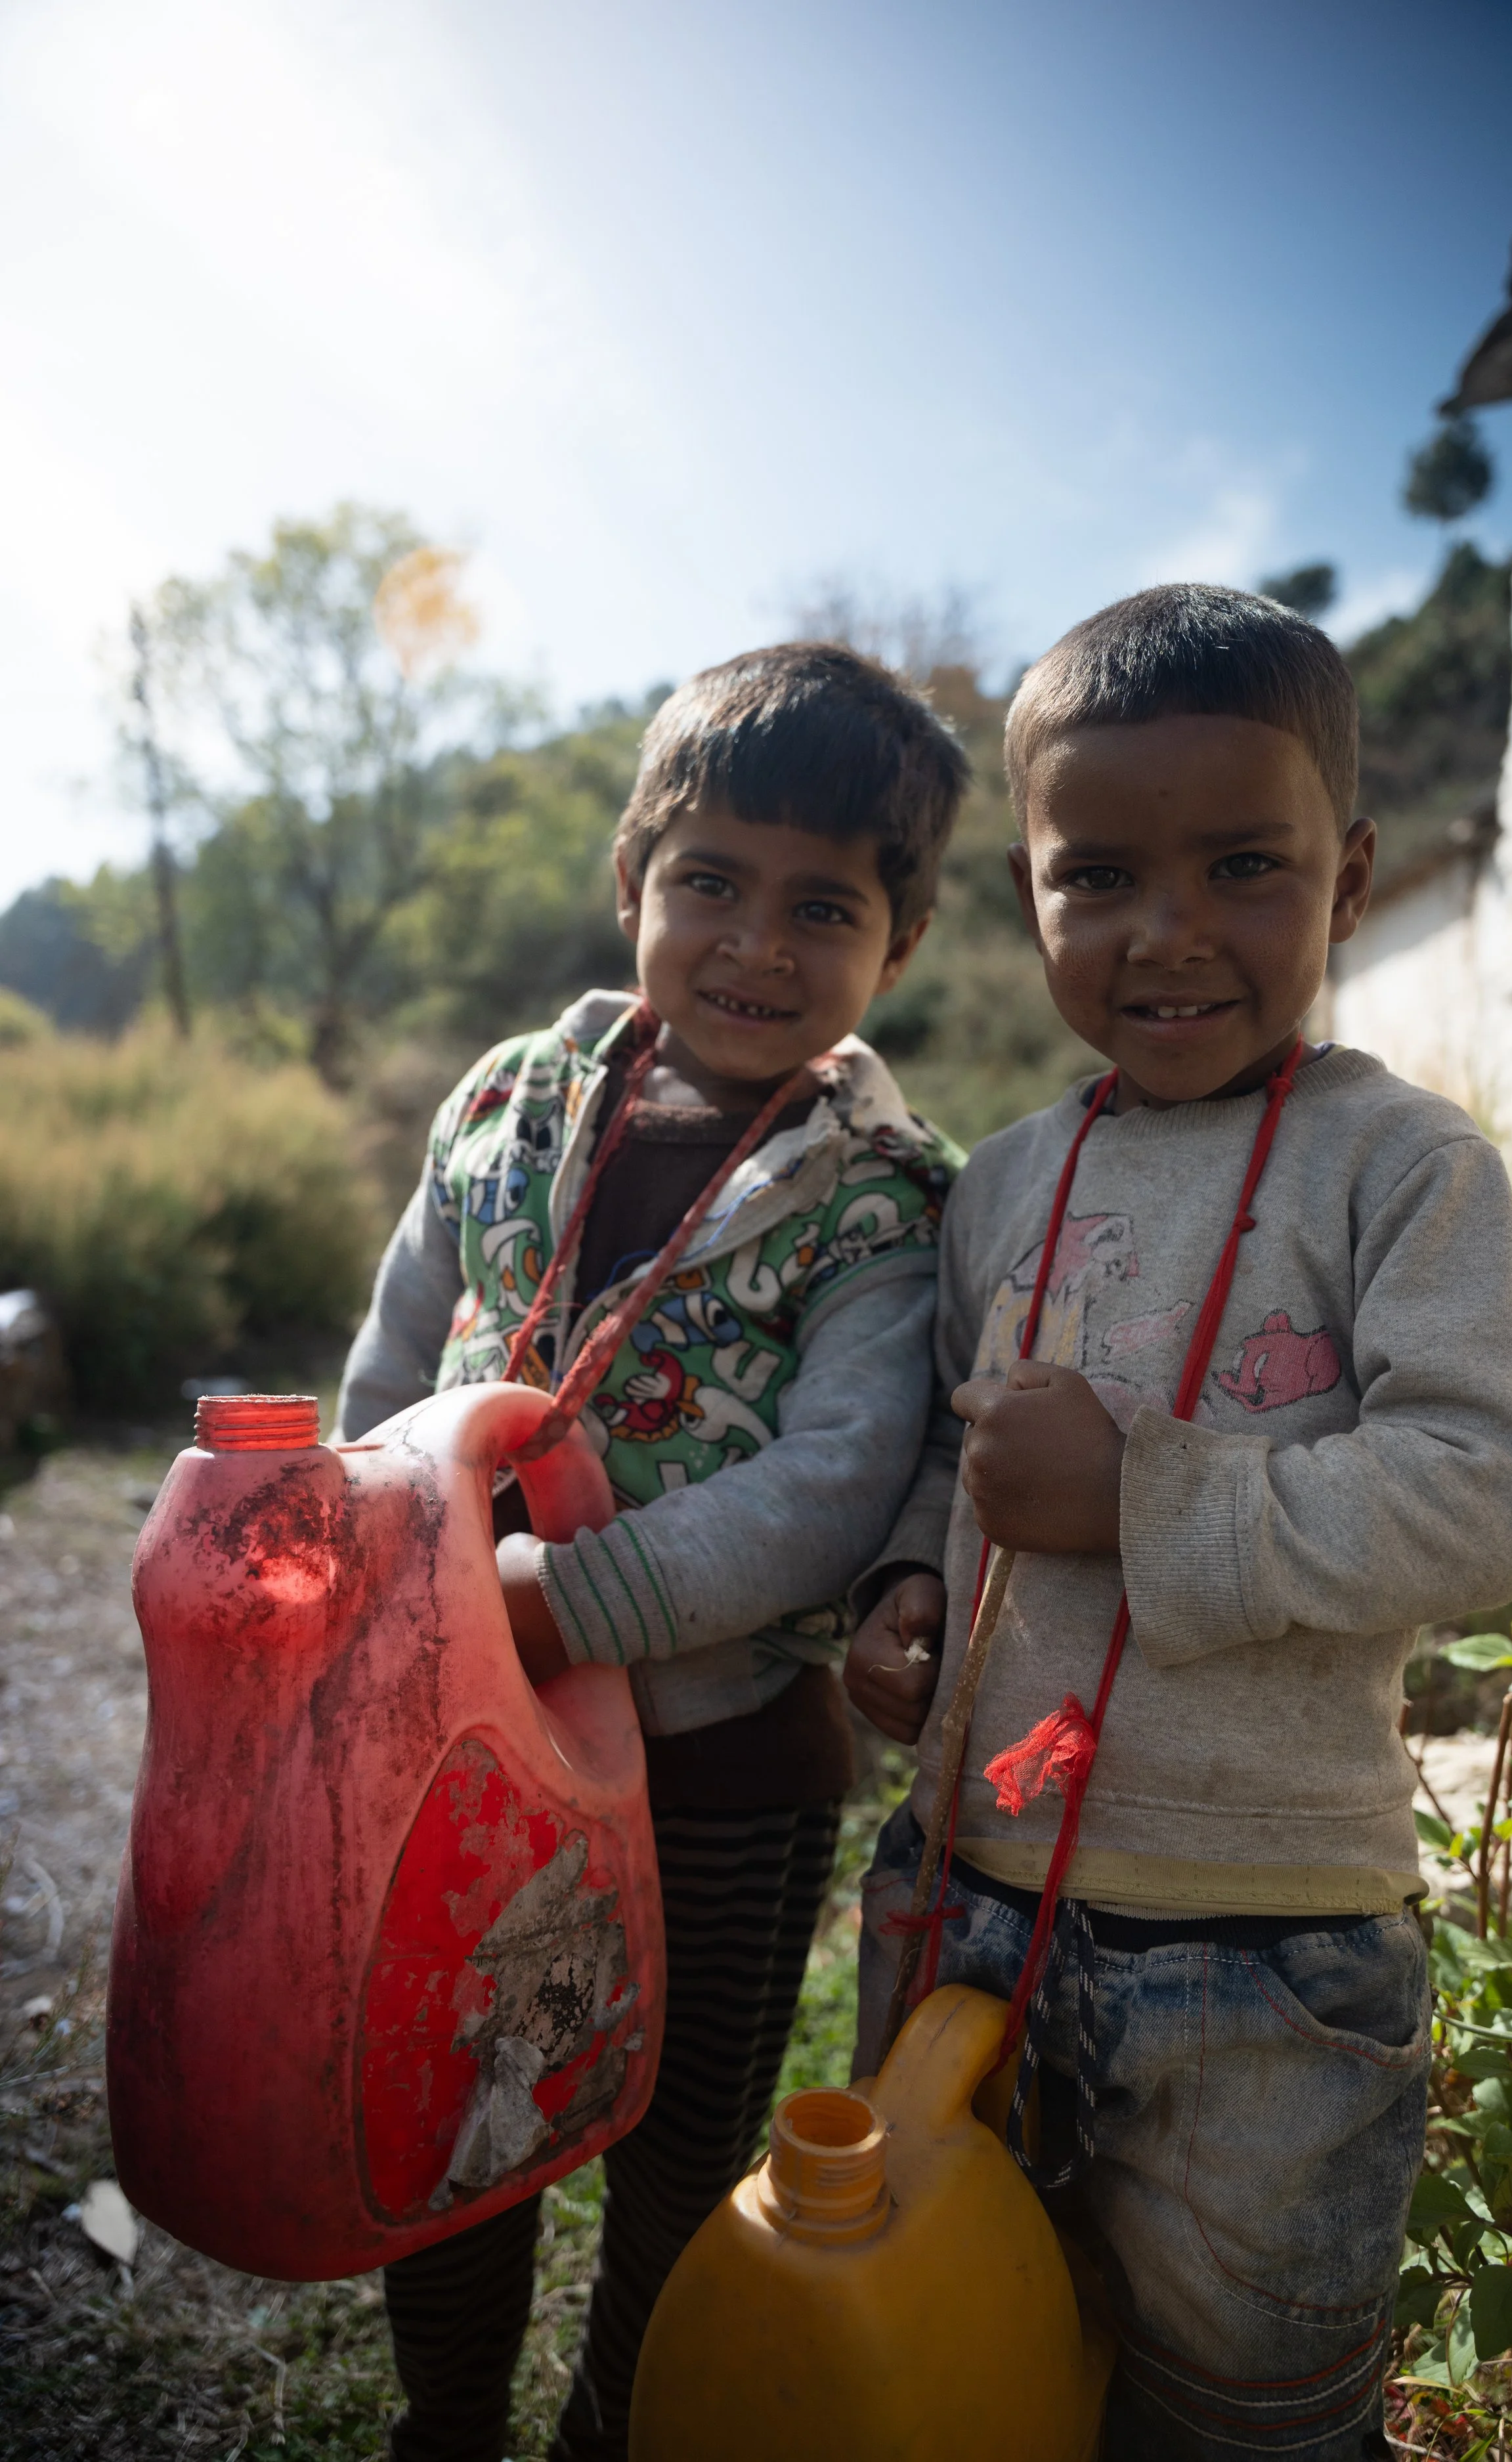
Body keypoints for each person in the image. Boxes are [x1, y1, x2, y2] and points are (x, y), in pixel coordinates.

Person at [843, 584, 1512, 2462]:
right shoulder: (998, 1183)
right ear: (1029, 894)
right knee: (958, 2363)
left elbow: (1483, 1498)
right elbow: (955, 1446)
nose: (1168, 934)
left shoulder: (1401, 1167)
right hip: (970, 1901)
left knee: (1240, 2422)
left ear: (1347, 879)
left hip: (1270, 1962)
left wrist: (1144, 1493)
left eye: (1243, 864)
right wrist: (914, 1584)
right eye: (1099, 877)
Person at [336, 641, 968, 2462]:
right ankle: (444, 2422)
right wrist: (373, 1540)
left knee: (680, 2146)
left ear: (895, 948)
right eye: (710, 882)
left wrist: (551, 1598)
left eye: (821, 906)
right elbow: (397, 1352)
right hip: (466, 1756)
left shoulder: (870, 1192)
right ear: (632, 883)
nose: (755, 944)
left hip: (720, 1764)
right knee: (461, 2126)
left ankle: (614, 2429)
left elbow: (836, 1481)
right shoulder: (508, 1105)